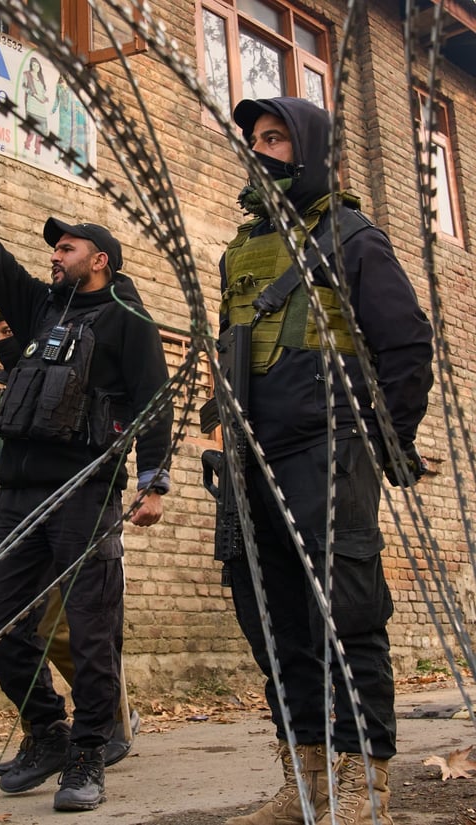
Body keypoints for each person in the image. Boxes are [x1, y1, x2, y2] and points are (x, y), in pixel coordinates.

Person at [0, 130, 173, 813]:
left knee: (91, 629)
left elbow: (154, 400)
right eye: (53, 248)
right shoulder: (40, 308)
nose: (54, 255)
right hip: (19, 491)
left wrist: (153, 479)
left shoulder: (126, 319)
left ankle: (91, 748)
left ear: (100, 260)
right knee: (2, 621)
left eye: (66, 247)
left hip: (84, 490)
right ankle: (48, 732)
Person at [216, 97, 434, 825]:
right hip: (252, 460)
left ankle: (362, 786)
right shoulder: (239, 252)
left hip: (325, 449)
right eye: (254, 140)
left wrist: (375, 440)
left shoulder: (353, 236)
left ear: (308, 149)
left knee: (345, 615)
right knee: (271, 621)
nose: (261, 150)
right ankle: (305, 783)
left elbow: (405, 347)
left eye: (275, 138)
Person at [0, 308, 134, 776]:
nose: (4, 338)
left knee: (68, 631)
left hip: (68, 506)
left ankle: (109, 730)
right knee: (13, 628)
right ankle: (43, 733)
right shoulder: (11, 386)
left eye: (11, 330)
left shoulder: (62, 372)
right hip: (9, 506)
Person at [21, 57, 48, 156]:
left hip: (41, 107)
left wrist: (44, 98)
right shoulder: (27, 74)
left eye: (37, 65)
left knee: (40, 132)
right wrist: (33, 94)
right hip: (32, 105)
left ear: (40, 67)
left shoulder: (41, 78)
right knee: (32, 129)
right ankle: (26, 147)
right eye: (33, 65)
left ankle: (37, 152)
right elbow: (23, 86)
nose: (35, 67)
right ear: (31, 66)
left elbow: (42, 92)